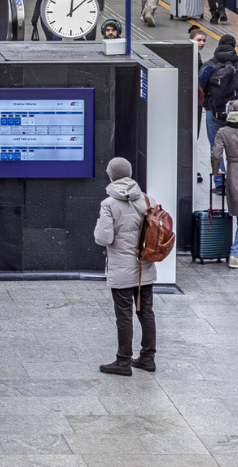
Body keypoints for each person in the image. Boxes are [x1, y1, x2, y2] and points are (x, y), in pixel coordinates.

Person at [93, 157, 157, 375]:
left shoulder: (109, 204)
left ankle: (123, 362)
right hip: (145, 267)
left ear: (111, 175)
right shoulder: (148, 200)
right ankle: (148, 358)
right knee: (146, 312)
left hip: (121, 269)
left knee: (124, 315)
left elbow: (103, 238)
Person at [208, 106, 238, 268]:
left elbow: (216, 154)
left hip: (233, 173)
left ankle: (235, 253)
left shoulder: (223, 131)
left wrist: (215, 171)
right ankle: (235, 253)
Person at [200, 33, 238, 151]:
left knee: (216, 149)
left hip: (214, 111)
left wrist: (207, 105)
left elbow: (200, 89)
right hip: (235, 113)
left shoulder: (209, 65)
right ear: (234, 47)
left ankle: (218, 170)